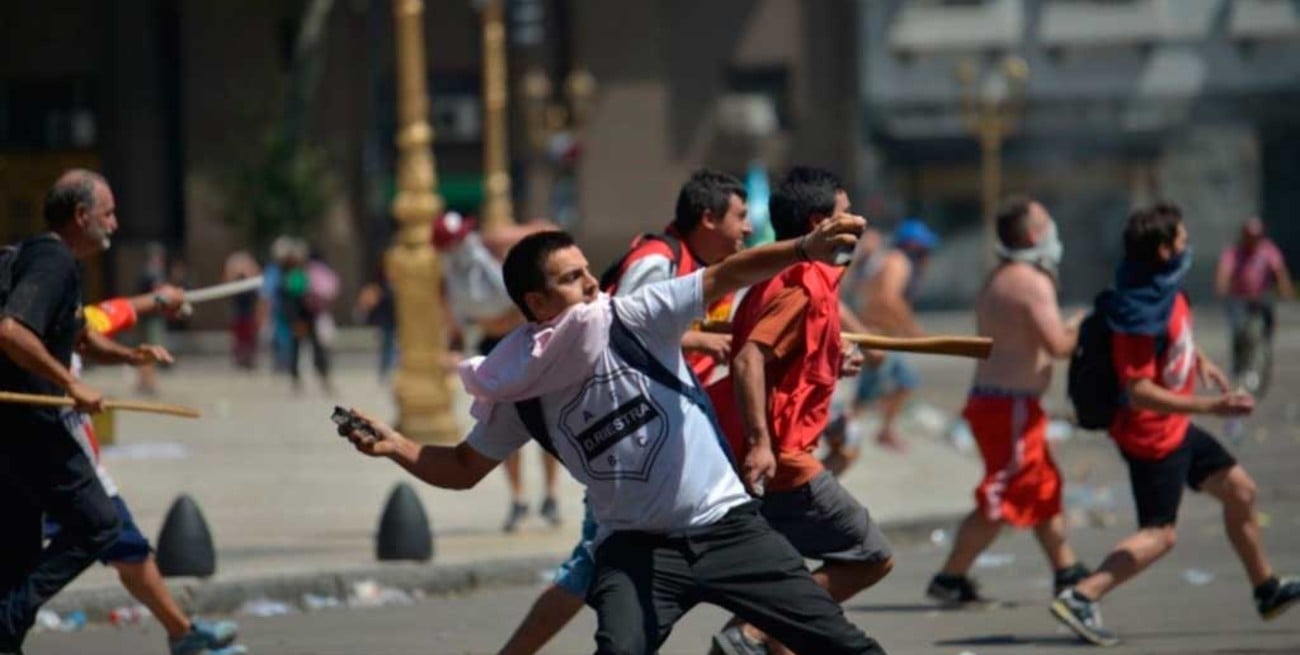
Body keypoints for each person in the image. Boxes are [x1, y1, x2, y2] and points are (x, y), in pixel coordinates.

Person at [338, 221, 887, 655]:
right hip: (636, 550)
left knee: (839, 643)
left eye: (587, 270)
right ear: (538, 304)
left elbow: (728, 275)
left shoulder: (634, 318)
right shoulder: (520, 388)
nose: (593, 283)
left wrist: (804, 247)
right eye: (572, 278)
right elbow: (461, 468)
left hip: (727, 528)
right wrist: (396, 446)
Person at [496, 169, 753, 655]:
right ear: (708, 218)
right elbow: (625, 325)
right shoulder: (659, 261)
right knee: (586, 570)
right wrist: (701, 340)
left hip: (659, 441)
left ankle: (751, 636)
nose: (747, 229)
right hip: (628, 445)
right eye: (740, 216)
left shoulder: (684, 260)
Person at [1051, 203, 1300, 647]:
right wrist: (1211, 407)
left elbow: (1177, 330)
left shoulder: (1161, 287)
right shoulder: (1137, 314)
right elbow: (1138, 389)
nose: (1188, 244)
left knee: (1240, 490)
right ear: (1165, 250)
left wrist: (1200, 361)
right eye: (1182, 239)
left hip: (1175, 428)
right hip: (1152, 437)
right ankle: (1081, 595)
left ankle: (1266, 589)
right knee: (1160, 534)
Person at [710, 166, 893, 655]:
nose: (856, 222)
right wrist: (760, 444)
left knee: (785, 580)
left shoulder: (789, 274)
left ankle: (754, 635)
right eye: (845, 213)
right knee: (870, 557)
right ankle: (747, 633)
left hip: (769, 453)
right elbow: (750, 356)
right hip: (783, 458)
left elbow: (787, 354)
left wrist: (835, 357)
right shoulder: (803, 283)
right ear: (820, 222)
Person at [0, 170, 153, 651]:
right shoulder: (53, 261)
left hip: (13, 431)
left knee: (21, 551)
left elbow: (75, 334)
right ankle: (7, 619)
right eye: (107, 212)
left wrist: (128, 356)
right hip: (30, 427)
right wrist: (71, 382)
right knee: (99, 524)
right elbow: (12, 331)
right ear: (82, 215)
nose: (115, 221)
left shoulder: (45, 259)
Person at [46, 288, 246, 655]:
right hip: (47, 472)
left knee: (129, 550)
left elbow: (105, 315)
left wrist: (157, 301)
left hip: (79, 469)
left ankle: (182, 632)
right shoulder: (24, 335)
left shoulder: (58, 317)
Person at [925, 196, 1089, 606]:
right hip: (1009, 406)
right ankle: (950, 577)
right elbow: (1057, 344)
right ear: (1035, 235)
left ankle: (1065, 569)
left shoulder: (1000, 276)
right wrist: (1086, 323)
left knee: (1042, 485)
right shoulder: (1031, 282)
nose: (1054, 230)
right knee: (1001, 497)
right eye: (1047, 222)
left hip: (1006, 404)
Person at [432, 211, 563, 532]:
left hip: (531, 336)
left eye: (462, 237)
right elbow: (455, 326)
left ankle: (551, 496)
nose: (461, 245)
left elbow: (547, 231)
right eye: (453, 242)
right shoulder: (447, 280)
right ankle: (518, 500)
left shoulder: (491, 244)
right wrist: (453, 353)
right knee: (505, 422)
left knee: (548, 421)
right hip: (494, 344)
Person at [847, 218, 938, 451]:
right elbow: (888, 298)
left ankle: (882, 430)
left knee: (905, 381)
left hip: (884, 335)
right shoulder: (898, 262)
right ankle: (847, 433)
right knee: (868, 392)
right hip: (879, 336)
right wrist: (912, 328)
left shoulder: (891, 260)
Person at [1214, 216, 1293, 395]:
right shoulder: (1234, 252)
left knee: (1265, 335)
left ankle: (1264, 360)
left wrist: (1284, 288)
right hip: (1240, 298)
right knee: (1240, 330)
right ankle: (1239, 365)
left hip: (1262, 298)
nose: (1253, 240)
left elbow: (1279, 270)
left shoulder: (1267, 250)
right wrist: (1221, 286)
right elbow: (1224, 270)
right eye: (1249, 236)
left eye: (1256, 236)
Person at [223, 250, 262, 370]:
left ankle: (249, 359)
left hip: (248, 313)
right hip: (238, 313)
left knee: (250, 337)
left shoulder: (252, 283)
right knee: (239, 338)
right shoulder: (234, 283)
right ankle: (240, 359)